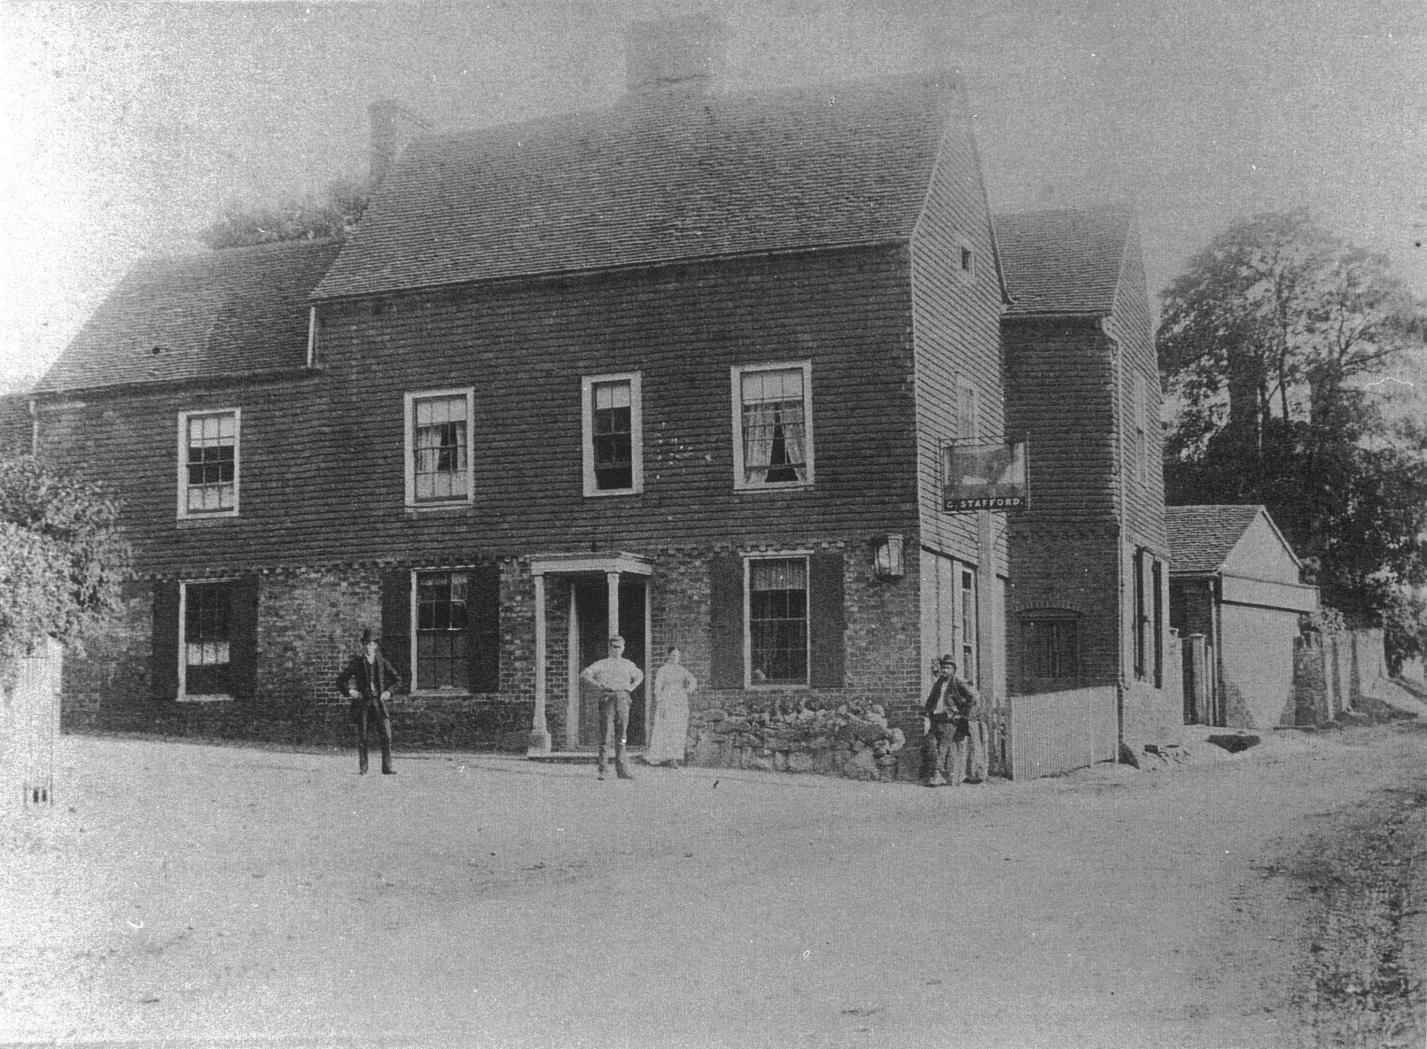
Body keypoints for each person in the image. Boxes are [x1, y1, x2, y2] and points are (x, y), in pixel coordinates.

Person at [336, 628, 402, 776]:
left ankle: (387, 766)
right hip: (363, 704)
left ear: (376, 646)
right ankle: (363, 767)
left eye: (371, 644)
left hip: (379, 703)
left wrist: (388, 692)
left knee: (386, 735)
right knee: (363, 736)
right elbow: (341, 680)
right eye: (366, 643)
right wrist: (350, 691)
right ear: (363, 645)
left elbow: (398, 680)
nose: (368, 646)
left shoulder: (382, 662)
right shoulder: (357, 663)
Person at [580, 635, 644, 780]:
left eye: (619, 647)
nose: (616, 650)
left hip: (622, 698)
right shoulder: (602, 663)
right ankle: (603, 770)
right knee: (606, 735)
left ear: (623, 648)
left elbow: (640, 676)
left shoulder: (627, 664)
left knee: (621, 736)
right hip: (608, 698)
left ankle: (622, 770)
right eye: (613, 647)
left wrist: (630, 688)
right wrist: (600, 685)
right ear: (609, 648)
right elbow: (584, 674)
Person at [646, 646, 696, 767]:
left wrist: (688, 690)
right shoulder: (663, 670)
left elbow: (693, 680)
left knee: (677, 729)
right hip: (667, 699)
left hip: (679, 700)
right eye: (672, 656)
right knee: (666, 728)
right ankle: (663, 757)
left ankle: (674, 757)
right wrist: (660, 702)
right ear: (668, 656)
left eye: (677, 656)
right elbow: (657, 688)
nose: (675, 658)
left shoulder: (681, 670)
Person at [919, 654, 960, 786]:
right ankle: (933, 773)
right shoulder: (938, 683)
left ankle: (938, 774)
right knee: (931, 743)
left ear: (953, 669)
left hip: (949, 721)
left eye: (947, 668)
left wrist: (958, 713)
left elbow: (970, 700)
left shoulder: (958, 684)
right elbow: (931, 699)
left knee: (943, 746)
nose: (944, 671)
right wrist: (926, 711)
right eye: (943, 668)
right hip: (936, 718)